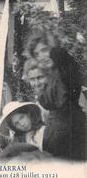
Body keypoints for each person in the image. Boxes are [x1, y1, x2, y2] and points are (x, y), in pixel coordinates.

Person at [25, 32, 86, 160]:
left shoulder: (64, 70)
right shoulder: (50, 76)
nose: (41, 56)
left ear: (52, 49)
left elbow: (67, 63)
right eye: (37, 54)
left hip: (73, 133)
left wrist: (55, 52)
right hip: (55, 136)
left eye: (44, 50)